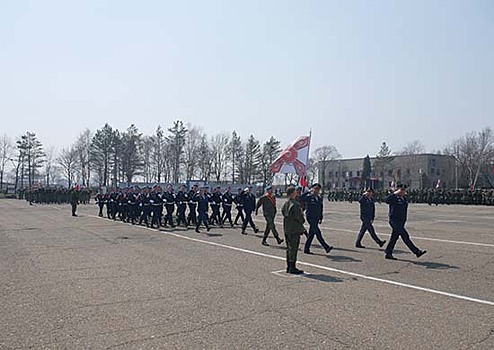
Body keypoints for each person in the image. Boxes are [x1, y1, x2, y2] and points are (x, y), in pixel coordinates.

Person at [384, 183, 427, 260]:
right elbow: (387, 200)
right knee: (405, 236)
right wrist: (394, 193)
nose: (403, 191)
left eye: (404, 190)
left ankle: (388, 252)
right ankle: (416, 252)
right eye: (401, 190)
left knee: (394, 237)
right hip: (394, 220)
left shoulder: (404, 199)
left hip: (401, 221)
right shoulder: (394, 198)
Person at [301, 183, 332, 255]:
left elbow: (320, 208)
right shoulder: (309, 197)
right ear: (312, 189)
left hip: (316, 218)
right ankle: (326, 247)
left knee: (311, 234)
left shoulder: (319, 198)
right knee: (318, 232)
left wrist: (321, 217)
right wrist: (308, 192)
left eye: (318, 189)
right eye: (315, 189)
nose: (317, 190)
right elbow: (300, 198)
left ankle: (306, 248)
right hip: (310, 217)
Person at [282, 186, 306, 274]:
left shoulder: (286, 203)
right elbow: (299, 217)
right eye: (295, 191)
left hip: (287, 228)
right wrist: (302, 220)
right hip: (294, 229)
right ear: (292, 193)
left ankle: (288, 266)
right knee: (294, 248)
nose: (297, 192)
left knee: (289, 248)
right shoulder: (295, 204)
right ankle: (292, 267)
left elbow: (283, 212)